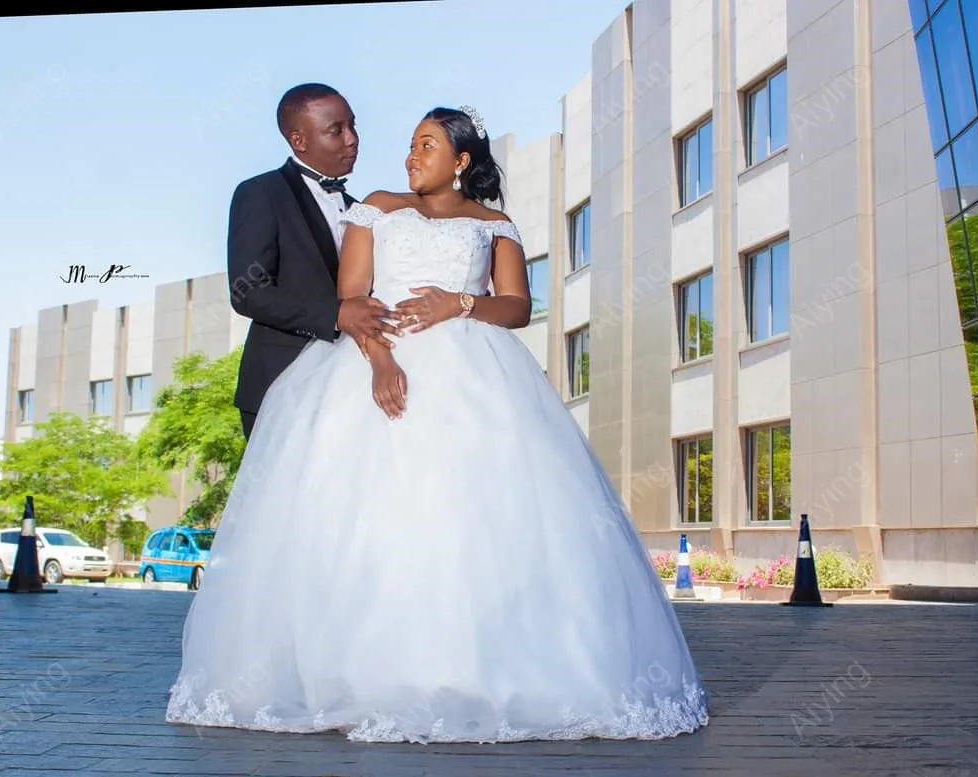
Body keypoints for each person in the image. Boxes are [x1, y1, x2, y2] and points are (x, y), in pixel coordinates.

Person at [166, 105, 710, 743]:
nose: (409, 156)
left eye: (426, 145)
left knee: (475, 521)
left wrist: (460, 303)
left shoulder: (494, 223)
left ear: (461, 161)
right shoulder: (374, 207)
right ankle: (360, 674)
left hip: (476, 370)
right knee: (372, 523)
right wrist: (379, 363)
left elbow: (516, 308)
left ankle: (491, 671)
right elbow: (354, 298)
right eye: (410, 145)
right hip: (378, 361)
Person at [227, 82, 399, 440]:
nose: (351, 138)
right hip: (279, 382)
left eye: (353, 125)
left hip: (351, 383)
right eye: (336, 130)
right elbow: (247, 293)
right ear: (298, 141)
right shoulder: (260, 193)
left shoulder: (362, 212)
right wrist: (334, 314)